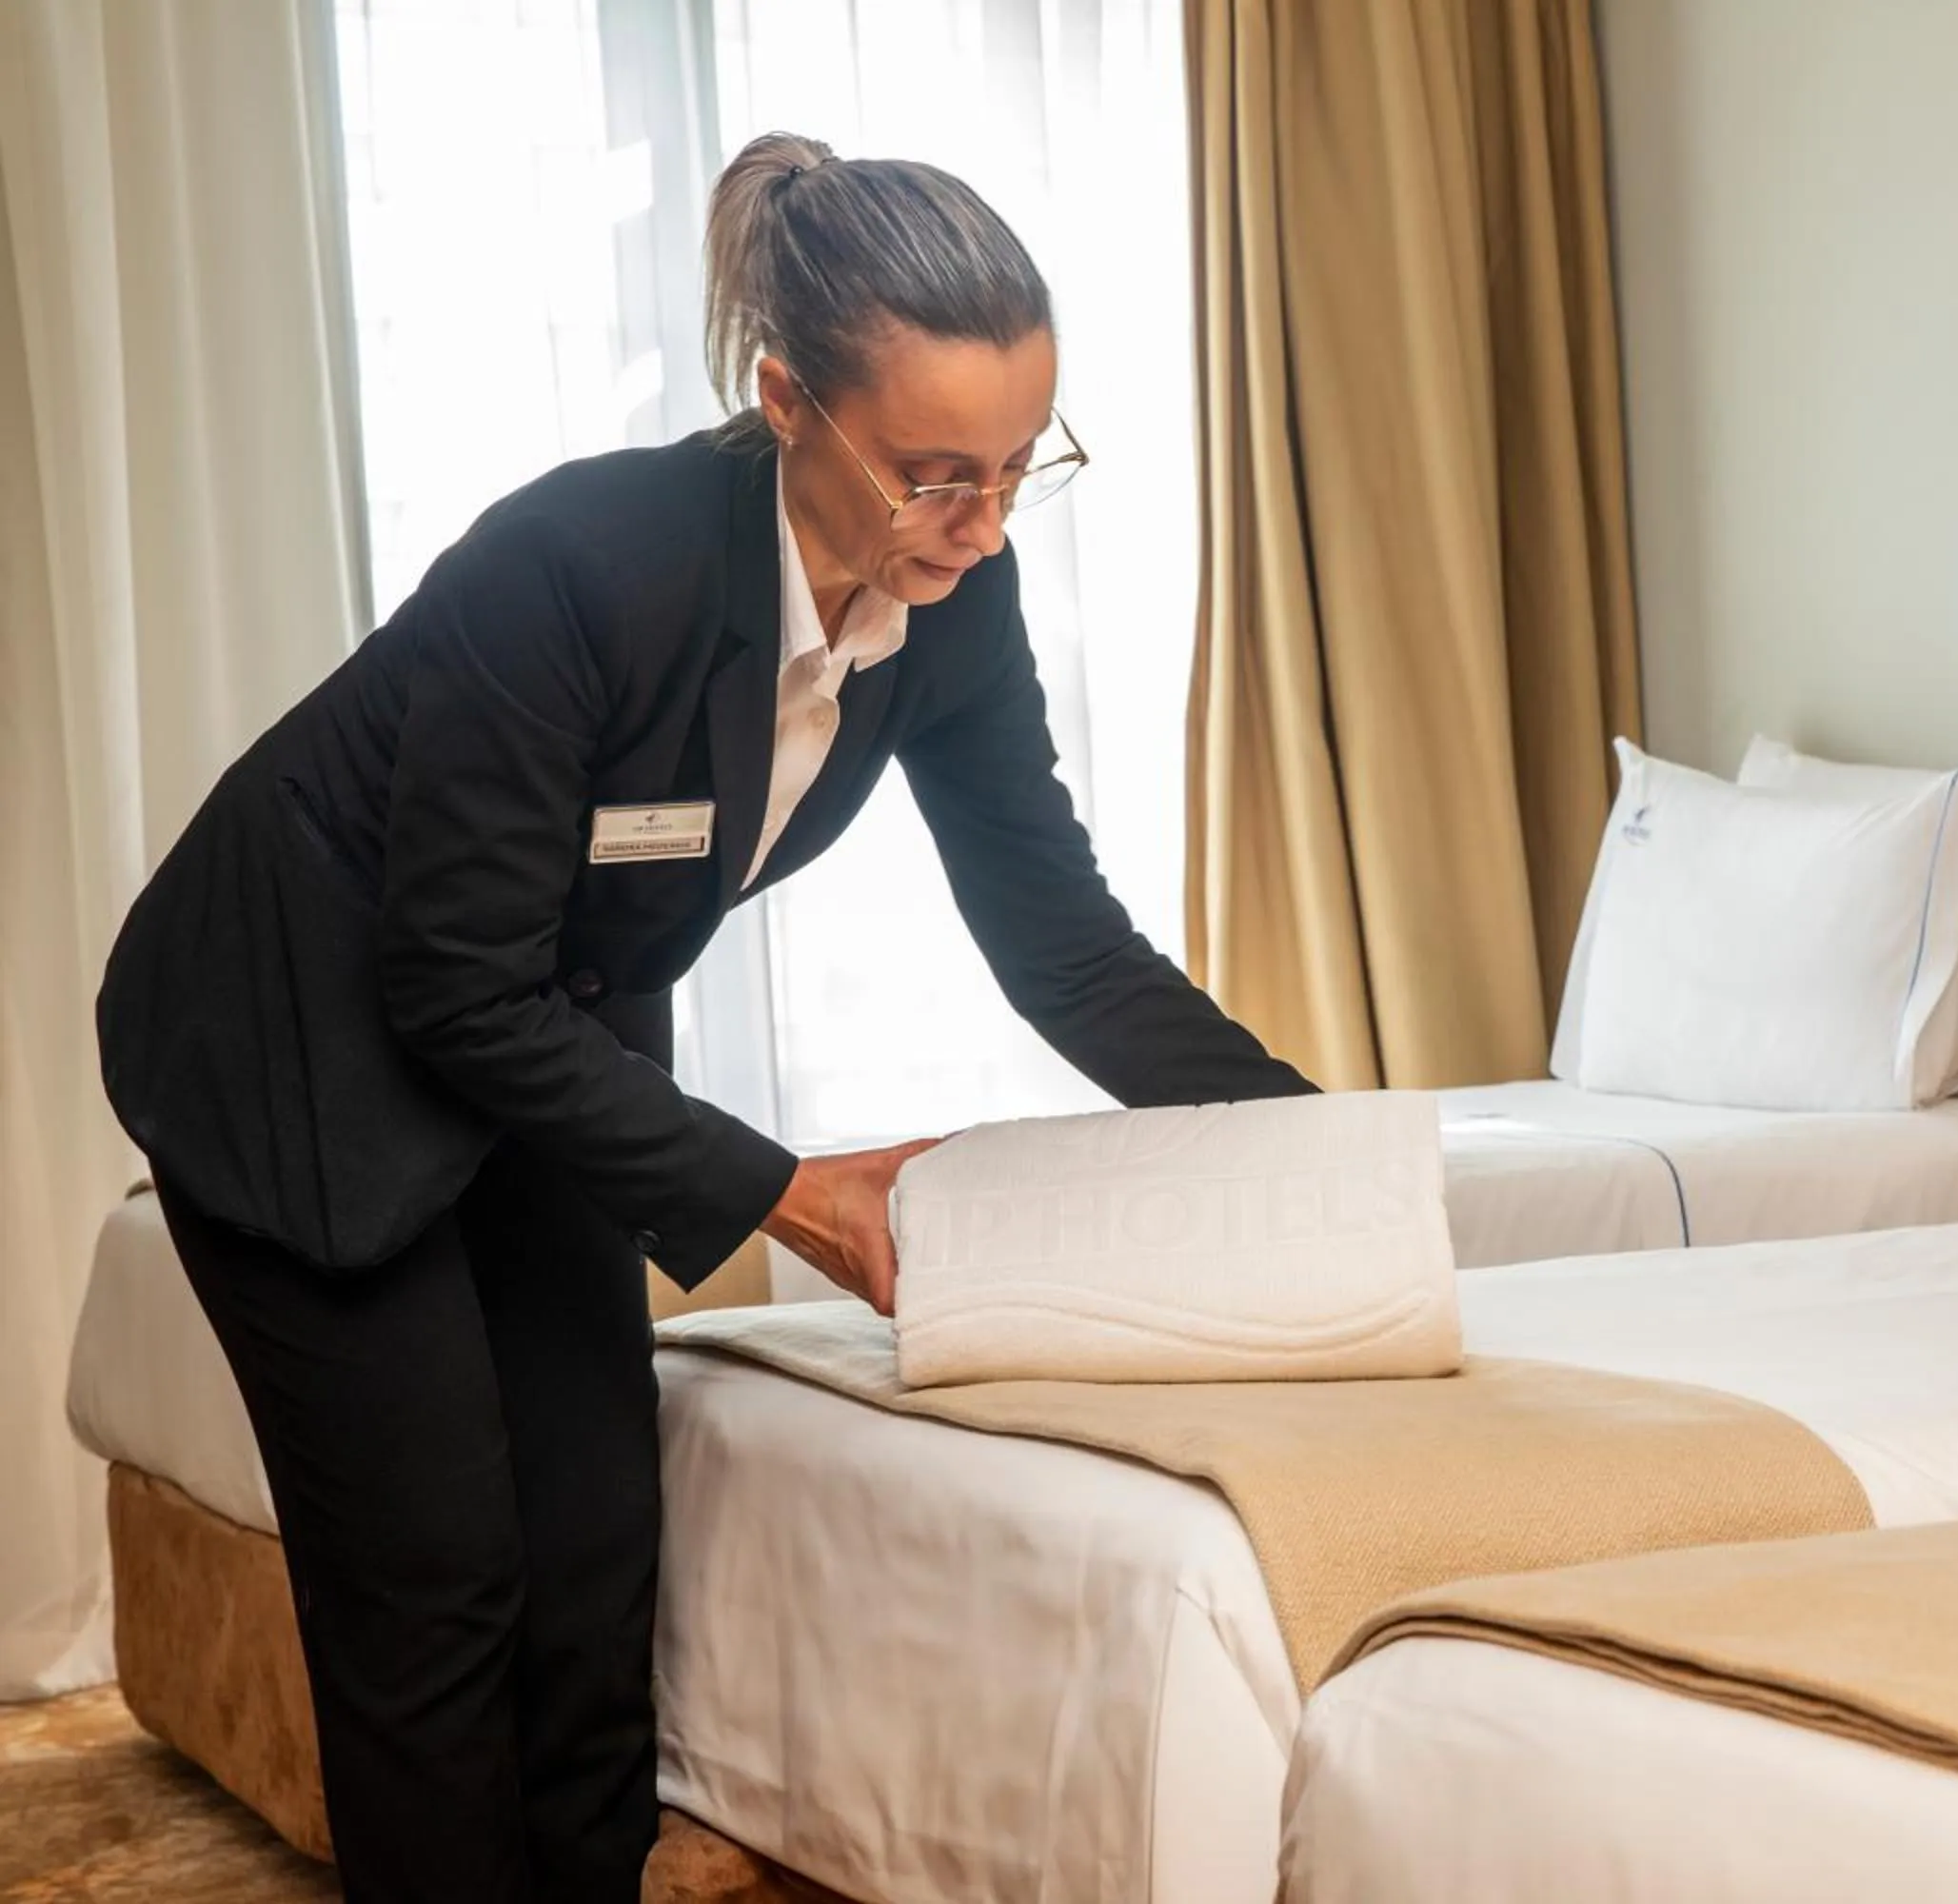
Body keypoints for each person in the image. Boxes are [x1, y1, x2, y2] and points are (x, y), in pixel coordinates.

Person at [94, 130, 1312, 1903]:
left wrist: (1308, 1137)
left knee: (595, 1545)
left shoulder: (951, 604)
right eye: (928, 478)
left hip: (548, 1027)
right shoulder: (582, 563)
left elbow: (1064, 944)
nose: (975, 525)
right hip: (302, 1035)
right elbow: (442, 976)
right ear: (790, 403)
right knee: (437, 1567)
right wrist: (791, 1191)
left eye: (1012, 468)